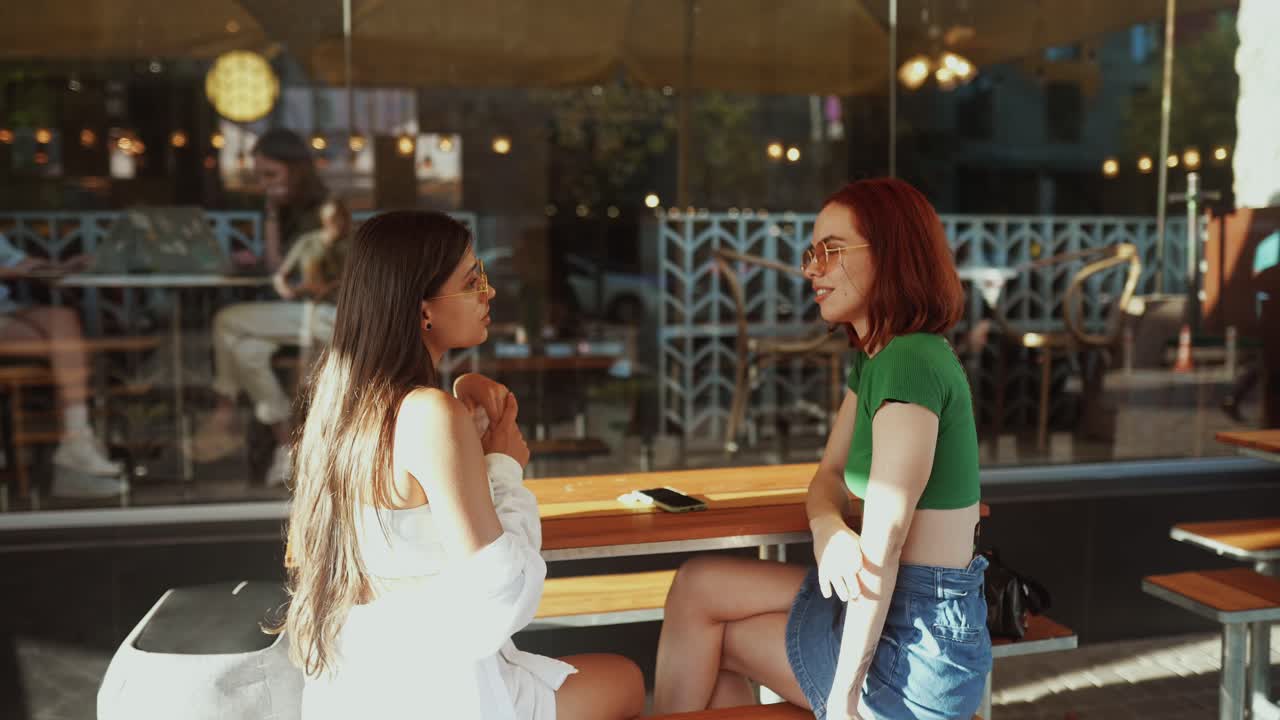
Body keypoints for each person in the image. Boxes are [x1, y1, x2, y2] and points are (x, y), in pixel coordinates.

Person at [274, 211, 645, 720]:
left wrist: (462, 397)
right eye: (472, 282)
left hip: (360, 686)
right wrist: (504, 466)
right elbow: (502, 596)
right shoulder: (428, 414)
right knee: (627, 681)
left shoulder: (339, 407)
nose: (489, 293)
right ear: (423, 310)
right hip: (441, 691)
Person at [652, 179, 991, 720]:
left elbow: (884, 545)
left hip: (917, 648)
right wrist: (827, 528)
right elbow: (828, 475)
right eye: (812, 254)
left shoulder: (910, 362)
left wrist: (843, 699)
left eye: (830, 252)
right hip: (888, 606)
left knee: (713, 635)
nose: (811, 270)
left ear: (891, 254)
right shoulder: (875, 358)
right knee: (698, 587)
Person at [192, 129, 331, 484]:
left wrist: (270, 218)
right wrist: (271, 214)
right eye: (260, 177)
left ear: (295, 170)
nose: (265, 184)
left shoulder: (323, 210)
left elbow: (294, 274)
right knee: (247, 350)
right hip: (298, 311)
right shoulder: (288, 209)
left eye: (272, 175)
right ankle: (289, 448)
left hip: (326, 313)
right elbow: (276, 267)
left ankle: (223, 409)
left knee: (225, 321)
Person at [0, 231, 126, 498]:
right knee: (62, 347)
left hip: (6, 308)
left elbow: (18, 261)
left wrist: (61, 268)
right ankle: (72, 455)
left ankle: (76, 441)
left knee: (64, 323)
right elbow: (12, 268)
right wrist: (10, 271)